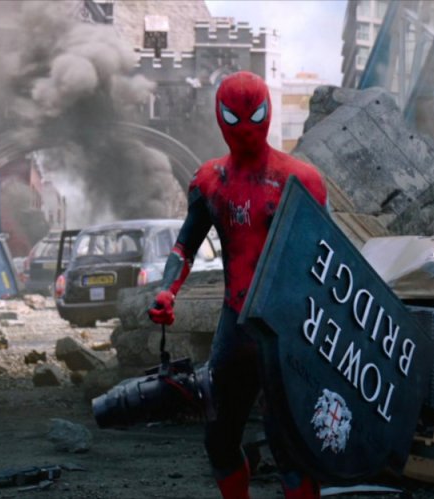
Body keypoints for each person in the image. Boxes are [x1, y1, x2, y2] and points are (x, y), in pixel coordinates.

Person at [148, 71, 327, 499]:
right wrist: (167, 290)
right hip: (239, 323)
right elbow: (185, 245)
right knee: (220, 439)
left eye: (255, 115)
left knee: (290, 445)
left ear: (268, 112)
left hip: (286, 328)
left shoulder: (300, 180)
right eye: (235, 117)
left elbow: (325, 262)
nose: (246, 128)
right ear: (220, 116)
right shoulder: (211, 181)